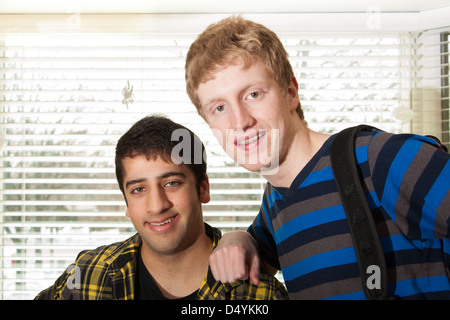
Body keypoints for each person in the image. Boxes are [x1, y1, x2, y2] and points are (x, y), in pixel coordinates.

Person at [185, 15, 450, 299]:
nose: (240, 121)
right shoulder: (274, 203)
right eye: (219, 108)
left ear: (290, 93)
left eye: (253, 94)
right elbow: (252, 250)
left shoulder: (379, 159)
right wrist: (236, 239)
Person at [35, 115, 288, 300]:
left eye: (171, 183)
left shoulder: (259, 296)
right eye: (138, 189)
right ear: (126, 202)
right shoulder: (88, 276)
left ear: (203, 188)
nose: (157, 206)